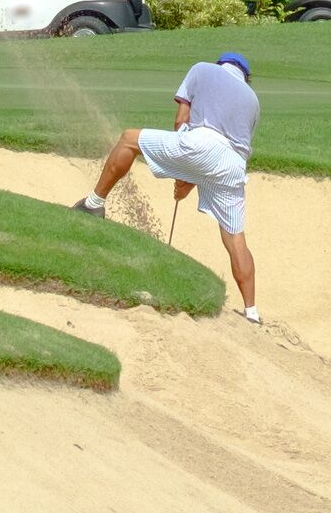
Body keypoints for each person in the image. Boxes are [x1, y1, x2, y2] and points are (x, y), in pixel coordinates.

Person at [73, 51, 263, 322]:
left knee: (128, 139)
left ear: (221, 64)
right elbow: (219, 157)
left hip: (201, 144)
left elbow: (181, 120)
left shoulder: (202, 69)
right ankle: (252, 311)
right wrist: (186, 176)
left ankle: (93, 204)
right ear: (246, 76)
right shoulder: (253, 100)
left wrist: (181, 165)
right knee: (235, 238)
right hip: (233, 166)